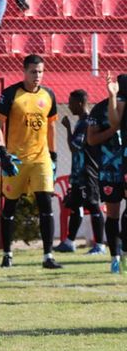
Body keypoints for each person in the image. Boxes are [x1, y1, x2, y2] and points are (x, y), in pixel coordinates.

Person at [0, 54, 63, 269]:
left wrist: (53, 155)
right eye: (33, 72)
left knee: (45, 204)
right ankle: (8, 254)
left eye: (40, 72)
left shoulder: (49, 95)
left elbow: (51, 127)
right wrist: (2, 151)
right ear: (24, 72)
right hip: (16, 160)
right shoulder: (11, 94)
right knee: (10, 205)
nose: (37, 76)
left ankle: (48, 256)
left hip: (40, 159)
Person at [54, 89, 106, 255]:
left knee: (93, 206)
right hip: (78, 173)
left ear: (80, 103)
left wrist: (68, 129)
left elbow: (74, 146)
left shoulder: (86, 122)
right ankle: (69, 242)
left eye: (70, 103)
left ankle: (100, 245)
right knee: (76, 207)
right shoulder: (81, 121)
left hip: (88, 173)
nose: (68, 106)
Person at [86, 73, 127, 273]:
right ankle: (115, 258)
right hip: (110, 169)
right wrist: (113, 130)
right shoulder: (100, 108)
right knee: (113, 215)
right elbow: (91, 139)